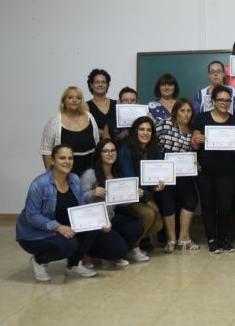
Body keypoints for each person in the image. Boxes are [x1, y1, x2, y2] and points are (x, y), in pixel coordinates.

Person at [16, 145, 128, 281]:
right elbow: (32, 216)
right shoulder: (39, 184)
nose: (67, 161)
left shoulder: (74, 179)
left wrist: (100, 221)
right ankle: (39, 261)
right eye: (62, 158)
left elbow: (81, 208)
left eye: (70, 158)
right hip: (35, 232)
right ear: (52, 161)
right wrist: (57, 227)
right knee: (69, 245)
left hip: (64, 226)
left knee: (93, 228)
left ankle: (74, 265)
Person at [192, 85, 235, 254]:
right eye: (220, 100)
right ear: (213, 101)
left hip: (227, 170)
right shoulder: (202, 117)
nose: (224, 103)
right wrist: (197, 139)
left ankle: (224, 238)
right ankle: (212, 239)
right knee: (208, 204)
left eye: (228, 100)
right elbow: (194, 143)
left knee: (226, 205)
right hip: (205, 169)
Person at [80, 139, 145, 266]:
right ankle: (87, 252)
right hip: (95, 223)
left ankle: (111, 251)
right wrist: (92, 193)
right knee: (119, 250)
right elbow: (79, 199)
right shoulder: (90, 174)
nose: (110, 153)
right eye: (105, 151)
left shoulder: (116, 174)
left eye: (112, 150)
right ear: (99, 154)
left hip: (111, 218)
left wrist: (134, 196)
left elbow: (119, 202)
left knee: (137, 227)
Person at [155, 99, 200, 252]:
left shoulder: (193, 130)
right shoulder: (164, 124)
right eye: (182, 110)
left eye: (189, 111)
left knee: (191, 200)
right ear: (175, 112)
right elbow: (151, 143)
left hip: (184, 174)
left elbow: (194, 152)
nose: (186, 114)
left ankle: (184, 238)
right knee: (167, 203)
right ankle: (171, 240)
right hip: (164, 173)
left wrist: (196, 163)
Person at [118, 116, 165, 261]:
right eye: (142, 129)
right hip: (126, 196)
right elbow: (130, 179)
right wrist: (148, 200)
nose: (145, 133)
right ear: (135, 131)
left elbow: (154, 176)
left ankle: (125, 242)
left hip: (143, 194)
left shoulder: (153, 150)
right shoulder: (126, 150)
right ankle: (133, 248)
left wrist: (157, 186)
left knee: (158, 224)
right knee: (149, 214)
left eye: (149, 130)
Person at [41, 86, 100, 176]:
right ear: (63, 101)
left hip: (90, 172)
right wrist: (51, 176)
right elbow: (46, 150)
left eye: (78, 98)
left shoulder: (89, 117)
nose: (74, 100)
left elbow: (97, 145)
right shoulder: (55, 121)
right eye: (70, 97)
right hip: (64, 172)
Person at [86, 68, 117, 139]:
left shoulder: (116, 103)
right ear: (91, 85)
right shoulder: (86, 106)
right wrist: (107, 135)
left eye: (103, 82)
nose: (100, 84)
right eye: (97, 82)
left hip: (116, 146)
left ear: (107, 85)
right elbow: (88, 128)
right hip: (96, 146)